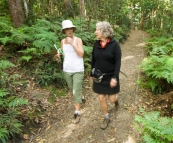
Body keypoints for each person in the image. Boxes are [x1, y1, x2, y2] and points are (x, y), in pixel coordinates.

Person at [90, 21, 121, 130]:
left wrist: (115, 77)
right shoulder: (96, 44)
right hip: (99, 77)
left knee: (111, 99)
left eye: (97, 30)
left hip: (111, 77)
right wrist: (91, 74)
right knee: (101, 98)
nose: (95, 32)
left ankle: (116, 100)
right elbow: (93, 60)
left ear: (104, 31)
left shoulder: (115, 45)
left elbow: (118, 63)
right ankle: (106, 117)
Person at [55, 20, 85, 124]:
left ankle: (77, 111)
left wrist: (73, 43)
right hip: (67, 69)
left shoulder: (78, 40)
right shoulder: (62, 41)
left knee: (76, 90)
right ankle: (81, 97)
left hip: (78, 69)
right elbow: (63, 53)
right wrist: (59, 54)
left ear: (73, 29)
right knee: (72, 89)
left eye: (71, 28)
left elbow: (81, 54)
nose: (69, 30)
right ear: (64, 31)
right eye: (67, 29)